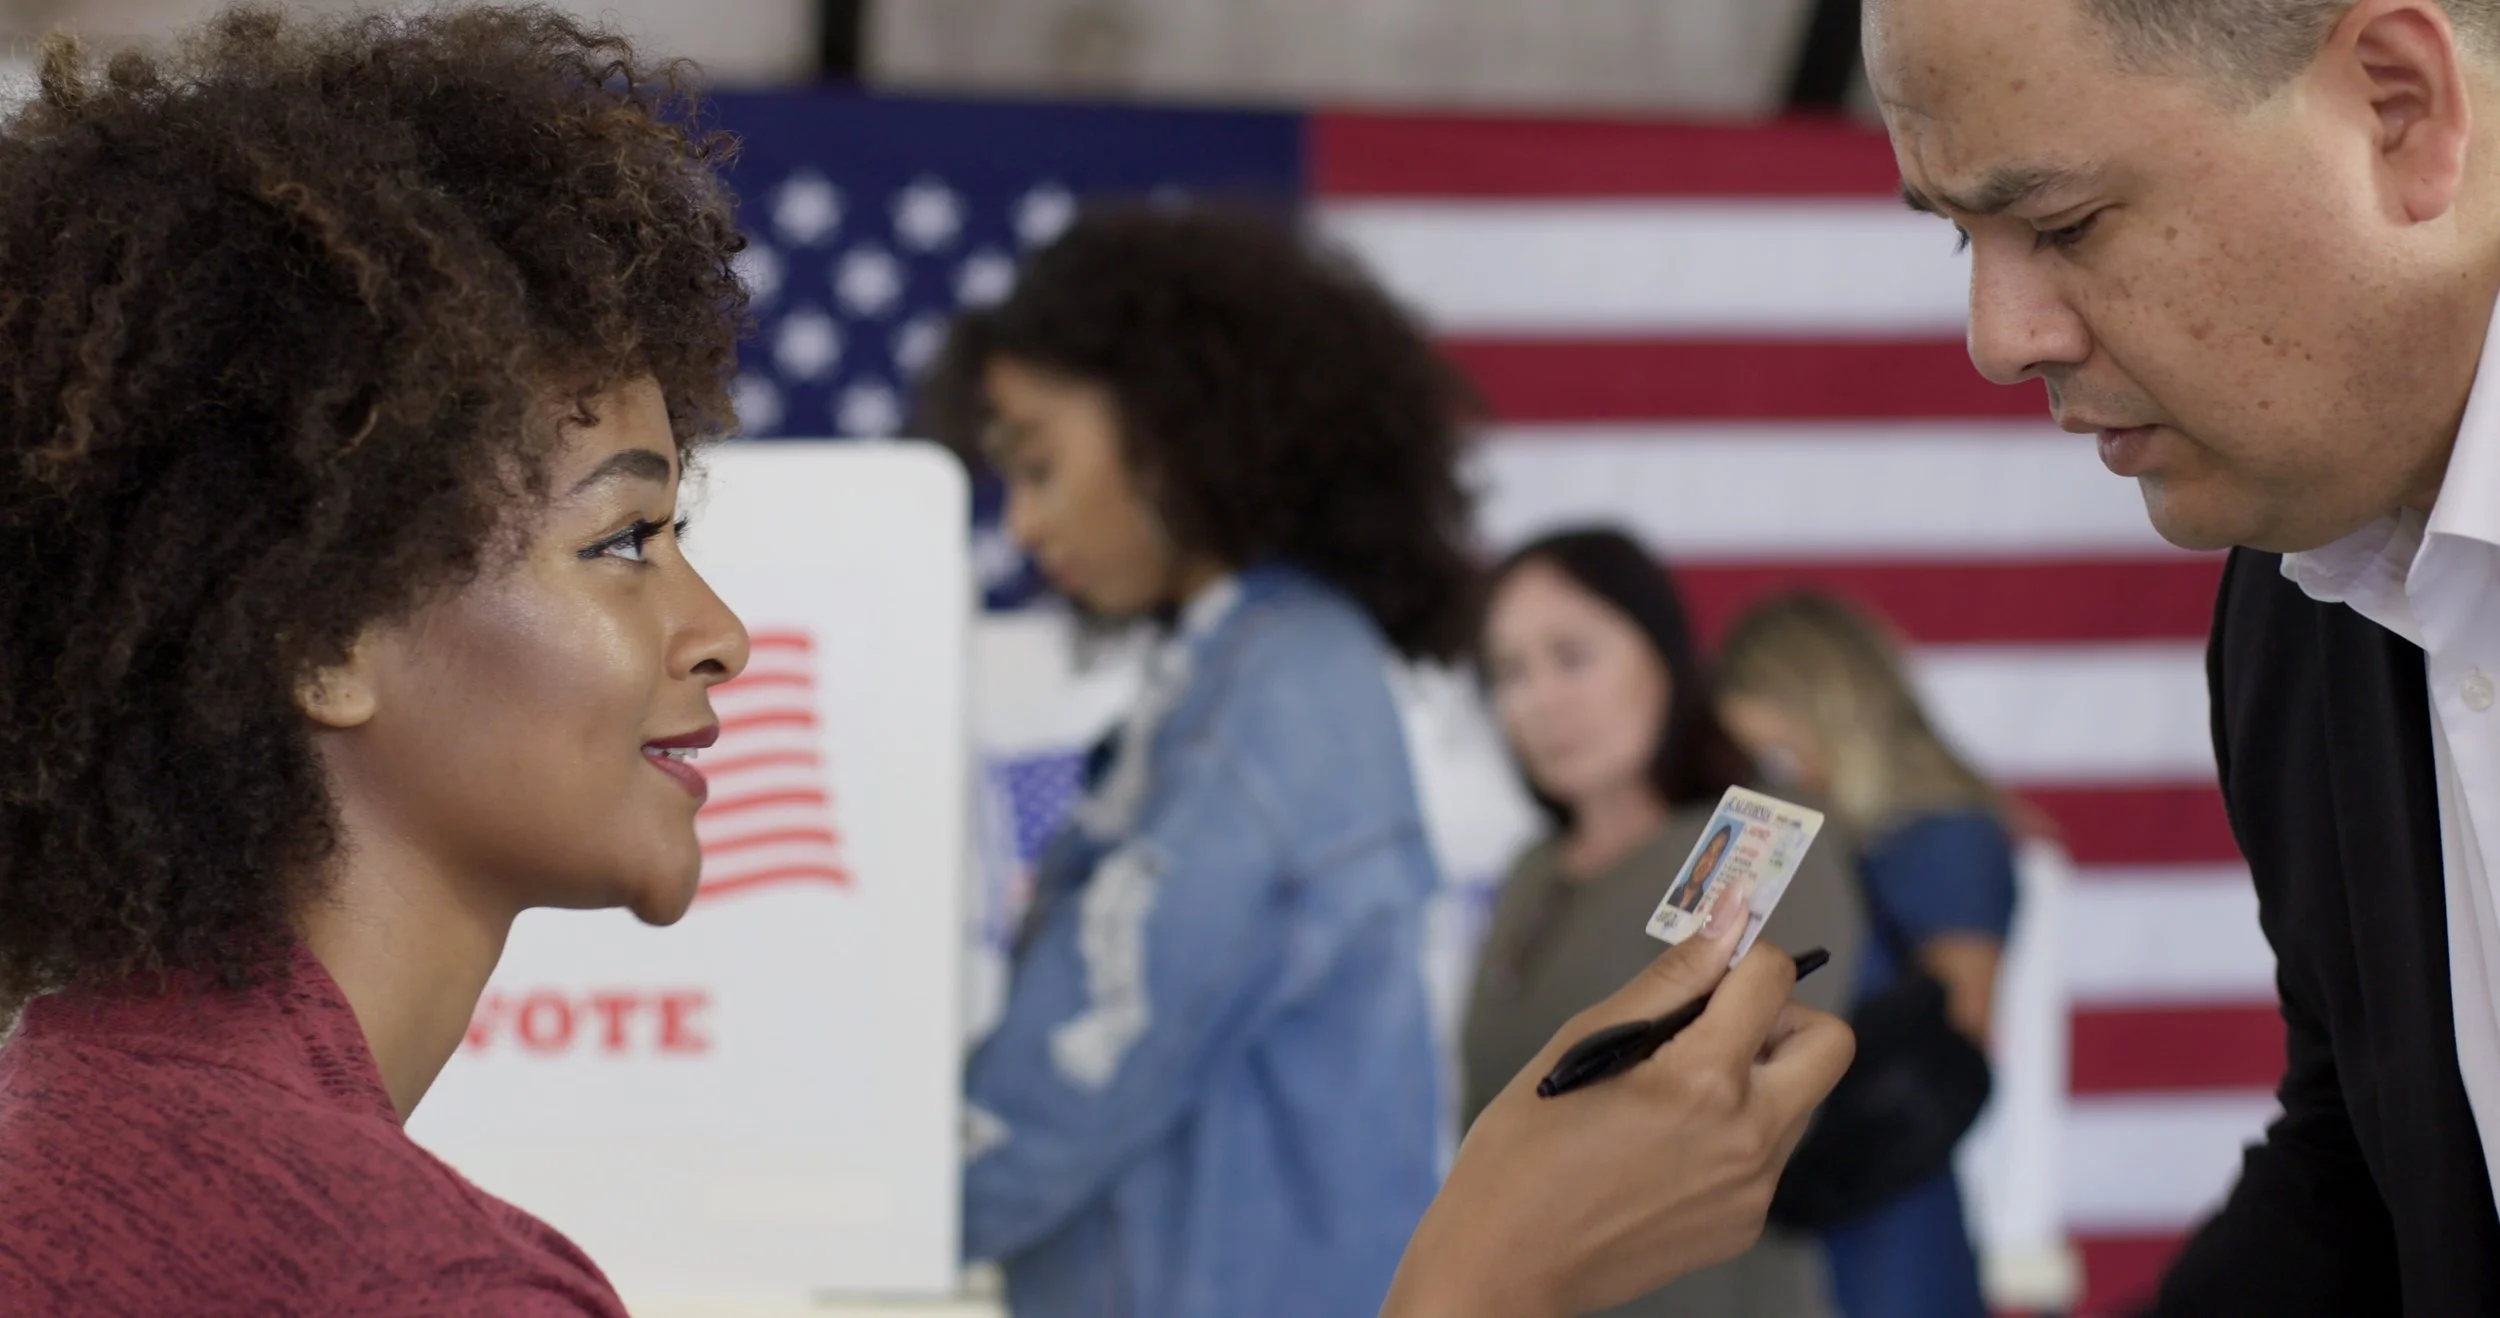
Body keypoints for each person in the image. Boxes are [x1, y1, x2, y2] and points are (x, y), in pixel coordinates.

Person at [0, 9, 1854, 1316]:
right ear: (316, 633)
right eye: (627, 540)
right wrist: (1491, 1275)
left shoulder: (73, 1109)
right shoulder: (425, 1273)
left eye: (1040, 460)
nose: (725, 631)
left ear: (1189, 431)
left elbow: (1100, 1057)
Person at [1863, 0, 2500, 1308]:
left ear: (2399, 107)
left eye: (2063, 224)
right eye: (1961, 235)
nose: (2000, 338)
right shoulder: (2296, 604)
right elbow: (2364, 1170)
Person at [1460, 529, 1863, 1318]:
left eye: (1571, 656)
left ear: (1664, 656)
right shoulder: (1531, 873)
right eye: (1509, 672)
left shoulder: (1763, 846)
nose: (1539, 699)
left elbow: (1735, 1122)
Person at [1715, 593, 2013, 1318]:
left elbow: (1942, 1062)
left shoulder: (1941, 835)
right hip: (1767, 1205)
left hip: (1879, 1219)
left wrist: (1792, 1173)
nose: (1764, 776)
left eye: (1773, 752)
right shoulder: (1813, 836)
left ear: (1826, 707)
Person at [1670, 825, 1738, 914]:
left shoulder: (1706, 910)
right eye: (1709, 850)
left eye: (1716, 856)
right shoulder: (1670, 891)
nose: (1707, 862)